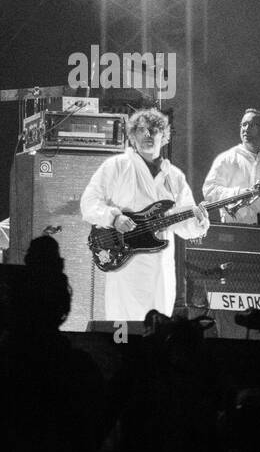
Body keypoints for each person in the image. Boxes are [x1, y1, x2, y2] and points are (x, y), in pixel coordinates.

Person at [80, 108, 209, 320]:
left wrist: (199, 220)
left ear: (164, 136)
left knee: (157, 338)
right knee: (124, 338)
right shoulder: (116, 167)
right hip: (126, 269)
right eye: (141, 131)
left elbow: (185, 227)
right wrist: (114, 218)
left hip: (160, 274)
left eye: (153, 130)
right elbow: (89, 203)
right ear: (132, 136)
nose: (148, 135)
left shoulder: (175, 177)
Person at [202, 108, 260, 224]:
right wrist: (241, 194)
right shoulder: (226, 159)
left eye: (251, 125)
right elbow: (209, 191)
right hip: (234, 228)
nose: (245, 129)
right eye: (243, 125)